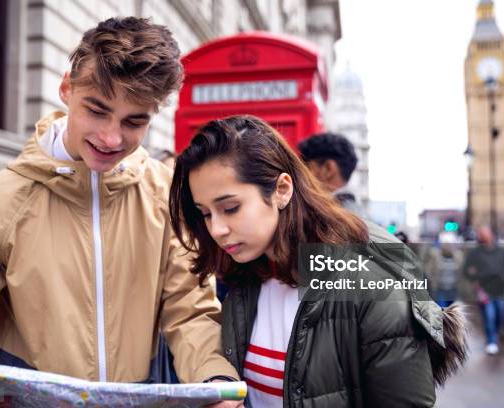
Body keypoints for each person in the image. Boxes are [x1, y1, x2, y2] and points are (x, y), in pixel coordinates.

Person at [0, 16, 241, 404]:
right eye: (97, 110)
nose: (112, 137)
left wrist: (214, 379)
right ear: (66, 88)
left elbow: (191, 313)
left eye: (134, 121)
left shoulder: (166, 195)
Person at [169, 116, 468, 407]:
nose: (216, 229)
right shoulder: (244, 277)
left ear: (282, 190)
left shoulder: (370, 282)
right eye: (206, 213)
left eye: (230, 208)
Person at [464, 225, 504, 355]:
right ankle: (491, 341)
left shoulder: (501, 252)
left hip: (499, 289)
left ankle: (494, 335)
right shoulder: (474, 253)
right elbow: (467, 270)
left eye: (485, 233)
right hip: (483, 290)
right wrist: (474, 279)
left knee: (499, 315)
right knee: (489, 315)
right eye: (481, 234)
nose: (483, 236)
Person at [298, 132, 364, 216]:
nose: (301, 175)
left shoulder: (327, 219)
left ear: (328, 169)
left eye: (307, 167)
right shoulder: (357, 212)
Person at [426, 232, 464, 308]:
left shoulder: (458, 256)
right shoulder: (435, 255)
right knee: (442, 311)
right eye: (445, 244)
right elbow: (428, 270)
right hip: (440, 289)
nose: (447, 246)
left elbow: (462, 271)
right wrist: (432, 281)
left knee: (453, 312)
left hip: (453, 290)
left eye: (449, 244)